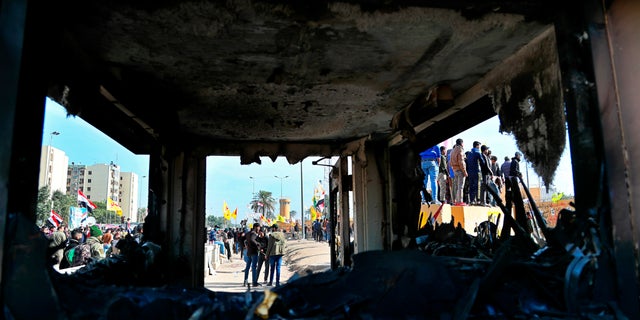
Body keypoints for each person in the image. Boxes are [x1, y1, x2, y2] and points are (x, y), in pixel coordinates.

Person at [450, 138, 467, 205]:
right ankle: (459, 201)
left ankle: (457, 201)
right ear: (461, 143)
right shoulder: (460, 149)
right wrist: (464, 171)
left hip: (455, 170)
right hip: (460, 170)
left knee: (457, 187)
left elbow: (450, 162)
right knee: (460, 187)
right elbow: (461, 161)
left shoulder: (453, 150)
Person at [466, 141, 482, 205]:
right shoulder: (477, 152)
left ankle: (471, 200)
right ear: (477, 146)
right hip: (476, 171)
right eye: (479, 146)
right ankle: (477, 200)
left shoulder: (469, 153)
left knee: (471, 186)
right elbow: (482, 162)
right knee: (477, 186)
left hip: (470, 172)